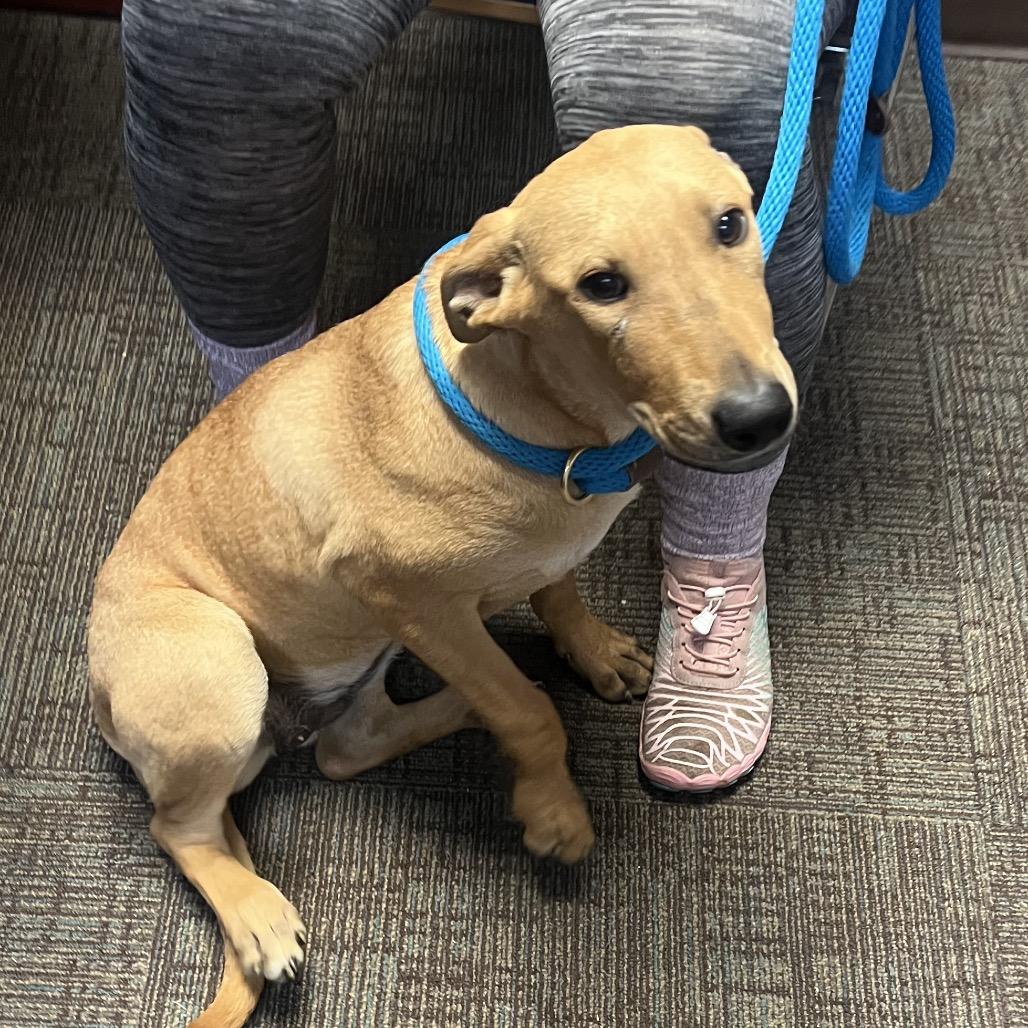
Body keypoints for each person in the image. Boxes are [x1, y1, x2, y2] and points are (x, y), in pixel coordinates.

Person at [122, 0, 840, 792]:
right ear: (484, 300)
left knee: (681, 72)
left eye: (730, 228)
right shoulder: (485, 300)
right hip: (217, 648)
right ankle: (270, 450)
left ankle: (715, 550)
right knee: (215, 31)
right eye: (603, 284)